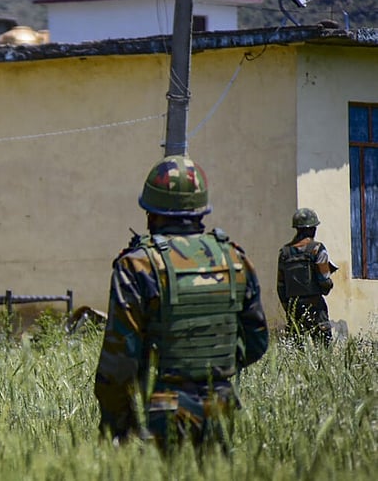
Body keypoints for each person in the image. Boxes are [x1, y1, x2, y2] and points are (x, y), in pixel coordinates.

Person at [94, 156, 269, 455]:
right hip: (222, 407)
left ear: (150, 211)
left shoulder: (137, 265)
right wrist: (211, 369)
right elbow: (257, 341)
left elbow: (119, 362)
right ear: (202, 209)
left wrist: (116, 426)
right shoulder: (235, 259)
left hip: (162, 411)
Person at [276, 208, 336, 346]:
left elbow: (280, 286)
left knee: (297, 351)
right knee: (323, 350)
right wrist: (329, 283)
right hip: (315, 306)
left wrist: (289, 308)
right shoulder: (317, 249)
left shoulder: (285, 252)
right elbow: (324, 281)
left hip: (294, 307)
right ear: (312, 229)